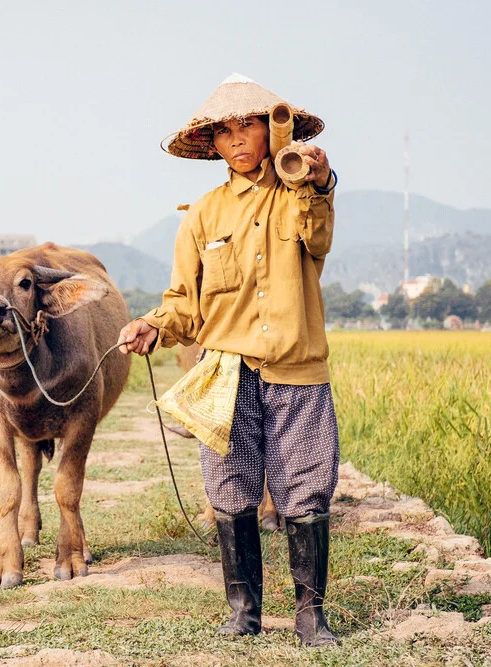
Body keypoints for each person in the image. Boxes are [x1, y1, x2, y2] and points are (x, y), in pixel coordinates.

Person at [117, 73, 340, 647]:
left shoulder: (302, 194)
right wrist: (152, 326)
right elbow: (184, 307)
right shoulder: (202, 216)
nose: (239, 139)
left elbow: (317, 241)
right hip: (225, 373)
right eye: (226, 131)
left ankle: (311, 617)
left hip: (297, 368)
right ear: (212, 144)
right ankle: (244, 612)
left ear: (272, 129)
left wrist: (320, 179)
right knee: (232, 487)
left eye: (250, 124)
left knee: (306, 490)